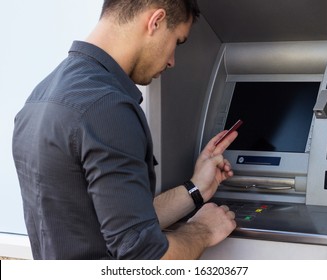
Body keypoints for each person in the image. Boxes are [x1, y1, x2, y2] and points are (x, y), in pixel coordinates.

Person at [12, 0, 237, 260]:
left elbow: (115, 224)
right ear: (156, 21)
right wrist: (203, 230)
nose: (173, 61)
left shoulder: (41, 96)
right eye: (177, 41)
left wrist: (197, 188)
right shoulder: (106, 108)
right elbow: (143, 259)